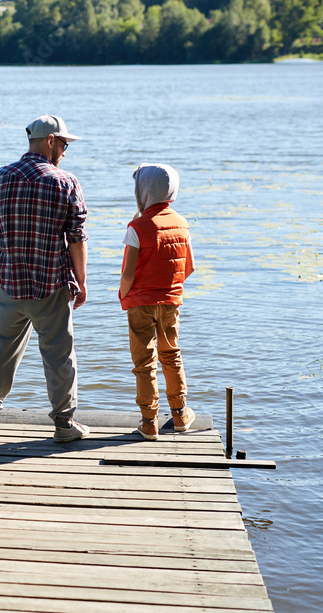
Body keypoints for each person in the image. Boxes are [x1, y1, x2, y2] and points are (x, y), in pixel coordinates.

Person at [0, 114, 90, 443]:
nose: (65, 152)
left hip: (9, 281)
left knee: (1, 350)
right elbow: (77, 238)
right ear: (50, 141)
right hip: (50, 284)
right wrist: (81, 281)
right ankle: (64, 426)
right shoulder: (66, 182)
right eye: (64, 144)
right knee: (59, 354)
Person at [118, 163, 196, 440]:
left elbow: (128, 273)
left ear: (143, 190)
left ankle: (149, 422)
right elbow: (189, 268)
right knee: (171, 354)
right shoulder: (182, 223)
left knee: (144, 362)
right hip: (170, 300)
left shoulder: (136, 227)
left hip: (140, 303)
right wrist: (171, 287)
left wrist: (123, 295)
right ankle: (180, 414)